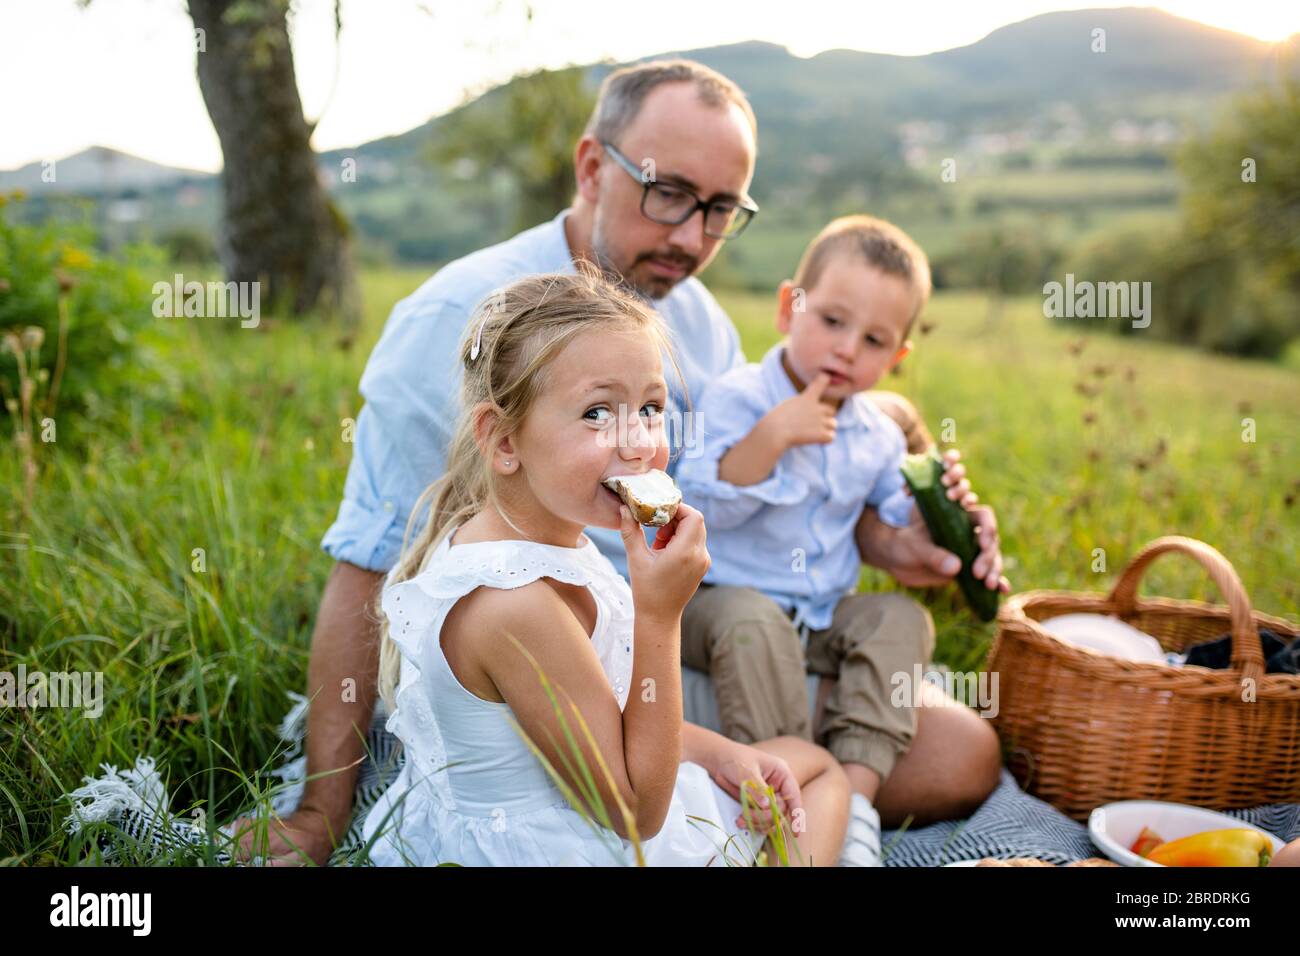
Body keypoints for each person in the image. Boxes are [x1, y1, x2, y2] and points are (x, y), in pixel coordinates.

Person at [230, 59, 1003, 865]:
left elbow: (745, 489)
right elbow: (365, 562)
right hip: (553, 671)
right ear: (593, 167)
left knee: (961, 751)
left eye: (720, 210)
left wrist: (895, 546)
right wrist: (321, 809)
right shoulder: (451, 322)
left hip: (674, 636)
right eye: (668, 193)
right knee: (832, 773)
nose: (690, 237)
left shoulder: (695, 325)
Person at [360, 268, 850, 866]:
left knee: (791, 763)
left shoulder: (529, 539)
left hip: (581, 799)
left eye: (650, 408)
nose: (638, 442)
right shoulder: (515, 607)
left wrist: (719, 752)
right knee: (824, 772)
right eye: (597, 413)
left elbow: (604, 712)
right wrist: (660, 615)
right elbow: (636, 814)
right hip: (576, 844)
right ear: (503, 440)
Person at [676, 215, 1010, 865]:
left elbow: (897, 514)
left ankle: (851, 799)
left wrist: (946, 518)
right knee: (753, 620)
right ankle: (781, 804)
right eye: (831, 321)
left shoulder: (877, 435)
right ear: (788, 308)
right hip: (716, 601)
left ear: (897, 357)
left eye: (873, 339)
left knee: (898, 618)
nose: (847, 349)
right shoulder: (738, 398)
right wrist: (772, 438)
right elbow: (699, 500)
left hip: (820, 615)